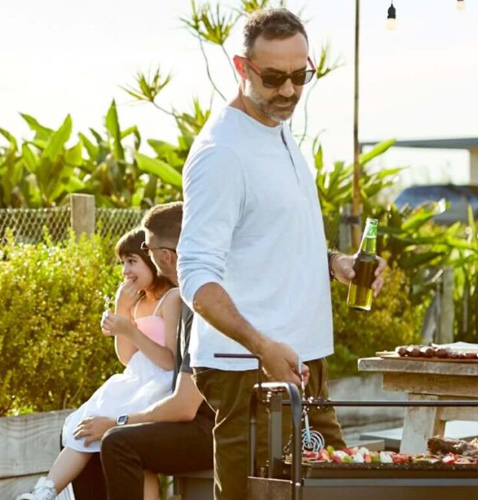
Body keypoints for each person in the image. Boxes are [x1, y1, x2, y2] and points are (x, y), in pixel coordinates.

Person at [175, 9, 381, 500]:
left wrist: (335, 263)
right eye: (273, 78)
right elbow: (194, 272)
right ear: (241, 68)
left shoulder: (277, 128)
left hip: (302, 357)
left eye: (299, 76)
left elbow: (271, 234)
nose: (289, 91)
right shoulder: (221, 153)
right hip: (246, 368)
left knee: (331, 491)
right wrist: (261, 346)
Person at [17, 227, 180, 500]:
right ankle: (46, 491)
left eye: (132, 261)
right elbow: (127, 358)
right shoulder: (137, 302)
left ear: (151, 260)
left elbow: (170, 361)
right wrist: (122, 310)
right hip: (135, 378)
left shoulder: (171, 299)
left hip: (159, 386)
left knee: (124, 444)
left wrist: (130, 330)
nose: (126, 271)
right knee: (83, 423)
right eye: (122, 263)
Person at [80, 203, 215, 500]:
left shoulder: (198, 305)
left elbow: (183, 406)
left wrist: (118, 422)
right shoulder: (195, 298)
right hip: (201, 423)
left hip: (216, 430)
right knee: (84, 435)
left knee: (117, 442)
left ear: (165, 257)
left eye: (147, 253)